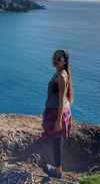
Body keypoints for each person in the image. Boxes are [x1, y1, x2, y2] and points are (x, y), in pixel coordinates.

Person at [42, 49, 74, 179]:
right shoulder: (60, 72)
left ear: (65, 61)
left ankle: (58, 171)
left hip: (57, 113)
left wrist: (58, 121)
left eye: (59, 58)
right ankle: (57, 167)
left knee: (57, 141)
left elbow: (61, 99)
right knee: (56, 141)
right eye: (54, 57)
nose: (55, 60)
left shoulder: (61, 76)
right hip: (57, 110)